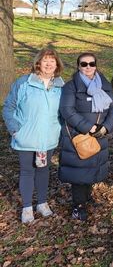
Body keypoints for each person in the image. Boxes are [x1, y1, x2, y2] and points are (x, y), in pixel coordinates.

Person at [3, 48, 64, 223]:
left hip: (49, 138)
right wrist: (15, 130)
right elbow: (8, 107)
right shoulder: (24, 83)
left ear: (57, 64)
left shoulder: (60, 86)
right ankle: (27, 207)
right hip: (26, 138)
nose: (48, 64)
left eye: (52, 61)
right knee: (27, 171)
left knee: (44, 171)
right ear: (38, 63)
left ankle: (42, 203)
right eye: (45, 60)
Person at [59, 52, 113, 221]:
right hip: (79, 135)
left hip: (100, 135)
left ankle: (86, 197)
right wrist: (89, 127)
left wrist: (106, 127)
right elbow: (67, 111)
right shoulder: (71, 87)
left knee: (92, 167)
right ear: (78, 66)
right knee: (78, 173)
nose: (88, 67)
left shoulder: (104, 84)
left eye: (91, 64)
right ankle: (78, 206)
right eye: (83, 64)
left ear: (96, 65)